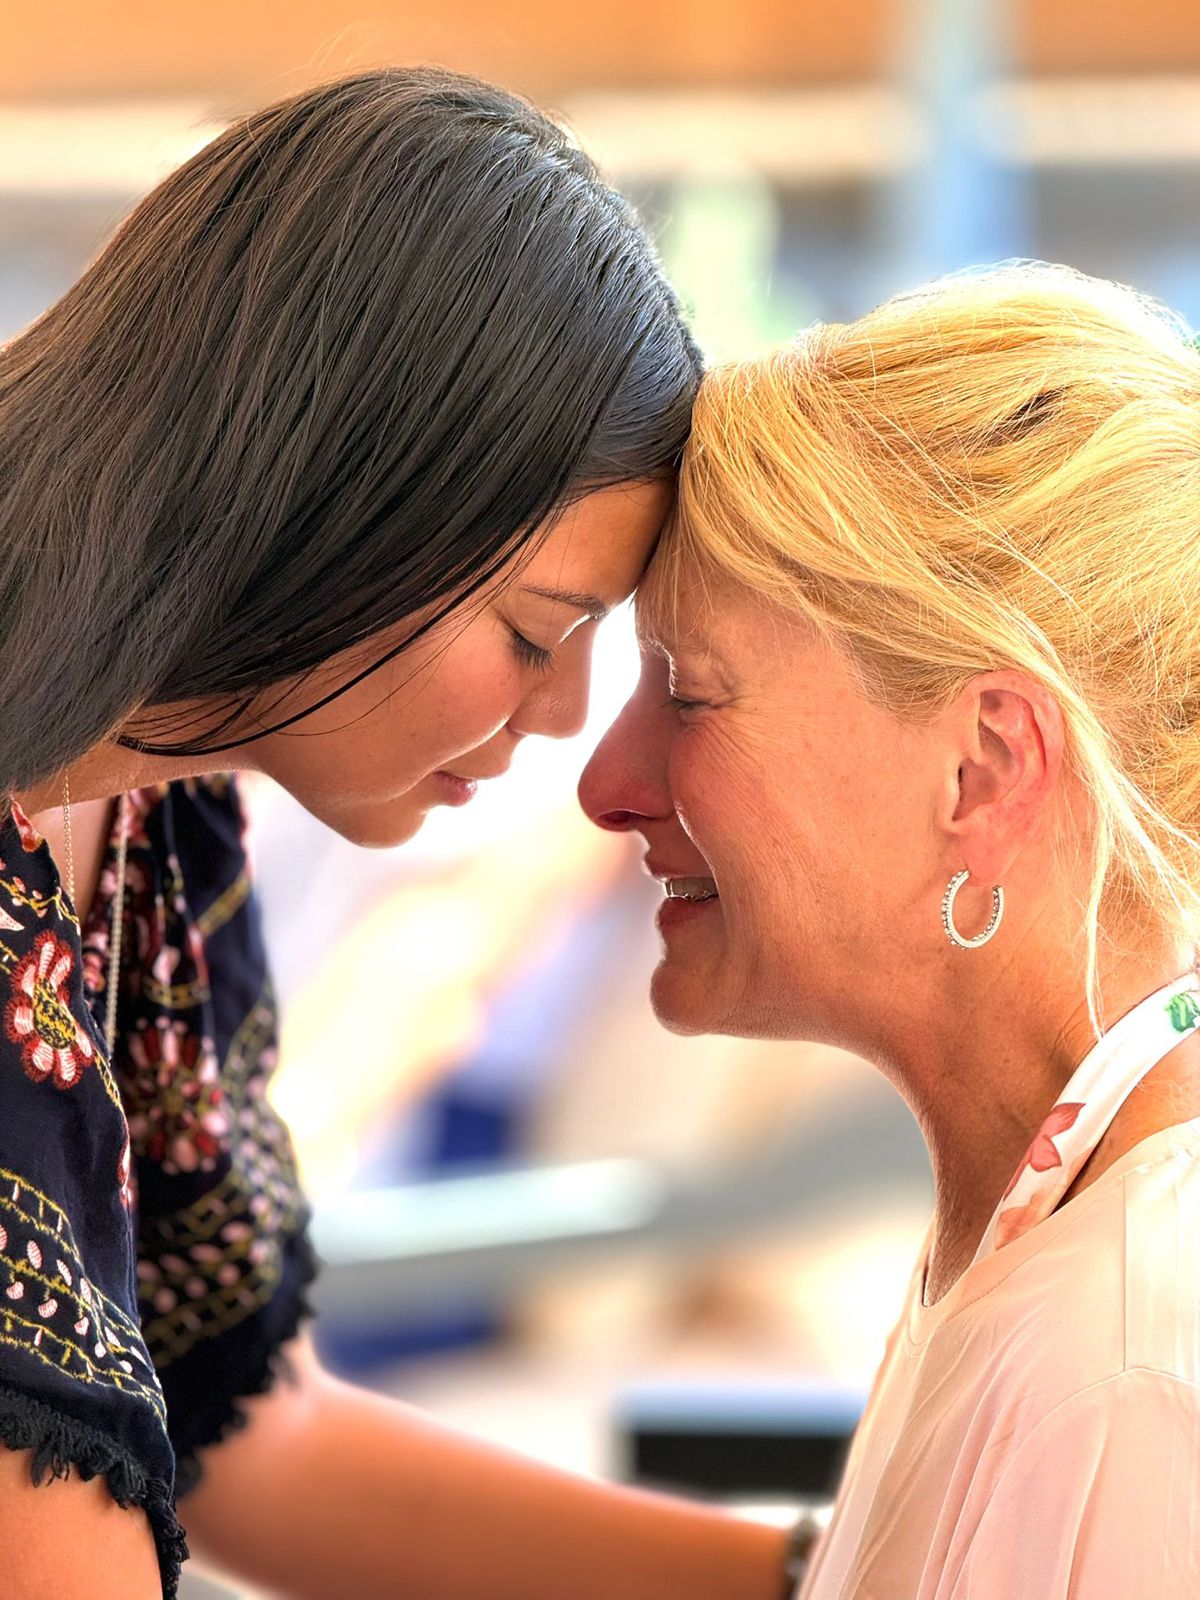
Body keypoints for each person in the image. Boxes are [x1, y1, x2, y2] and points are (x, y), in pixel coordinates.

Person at [0, 68, 792, 1600]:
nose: (569, 724)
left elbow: (249, 1427)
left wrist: (837, 1572)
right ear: (341, 508)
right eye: (535, 633)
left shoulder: (155, 810)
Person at [580, 264, 1200, 1599]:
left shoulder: (1131, 1366)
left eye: (688, 692)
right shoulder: (1034, 1253)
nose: (607, 783)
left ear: (984, 767)